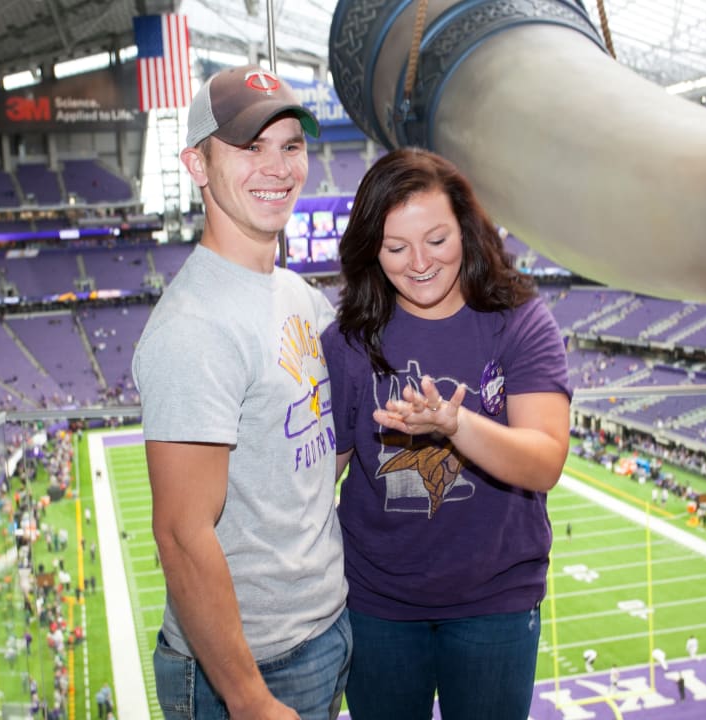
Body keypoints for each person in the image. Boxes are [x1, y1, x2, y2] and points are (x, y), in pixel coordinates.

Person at [133, 64, 350, 720]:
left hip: (322, 629)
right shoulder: (193, 329)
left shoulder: (294, 293)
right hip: (257, 664)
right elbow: (180, 533)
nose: (276, 167)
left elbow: (317, 451)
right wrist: (248, 697)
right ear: (196, 165)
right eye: (249, 147)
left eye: (291, 145)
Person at [322, 147, 571, 719]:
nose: (419, 262)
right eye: (395, 246)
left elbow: (544, 461)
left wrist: (455, 424)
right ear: (370, 250)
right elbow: (319, 479)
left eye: (436, 240)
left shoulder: (521, 321)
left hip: (495, 599)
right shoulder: (349, 340)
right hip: (376, 602)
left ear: (467, 229)